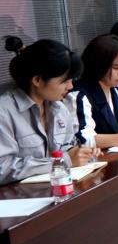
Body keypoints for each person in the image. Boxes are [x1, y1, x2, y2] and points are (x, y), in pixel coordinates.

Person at [0, 37, 99, 184]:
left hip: (58, 186)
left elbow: (68, 146)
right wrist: (62, 161)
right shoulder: (4, 112)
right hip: (19, 195)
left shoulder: (59, 108)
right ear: (37, 80)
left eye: (72, 80)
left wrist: (82, 153)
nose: (70, 87)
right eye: (65, 81)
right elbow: (3, 168)